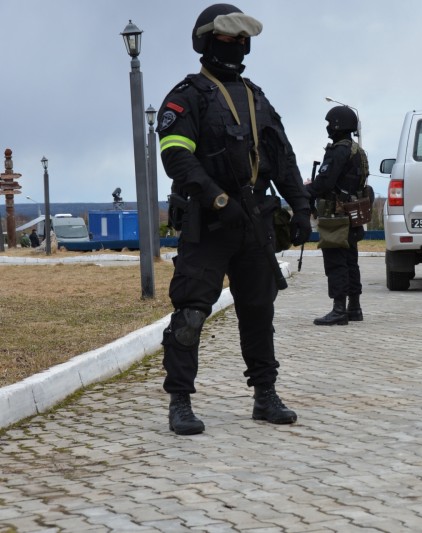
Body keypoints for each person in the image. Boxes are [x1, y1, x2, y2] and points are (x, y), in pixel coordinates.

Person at [155, 3, 312, 436]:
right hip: (209, 224)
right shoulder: (186, 96)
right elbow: (176, 158)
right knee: (190, 314)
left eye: (243, 40)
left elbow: (283, 159)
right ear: (206, 42)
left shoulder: (256, 96)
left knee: (259, 313)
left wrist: (300, 207)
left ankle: (265, 395)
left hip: (255, 224)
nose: (237, 47)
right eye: (227, 39)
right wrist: (218, 199)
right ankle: (180, 402)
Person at [306, 106, 369, 325]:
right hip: (354, 212)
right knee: (351, 260)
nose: (327, 128)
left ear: (337, 125)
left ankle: (339, 310)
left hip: (336, 215)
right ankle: (355, 307)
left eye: (329, 123)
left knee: (335, 260)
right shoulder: (357, 150)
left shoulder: (338, 151)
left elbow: (325, 182)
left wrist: (305, 190)